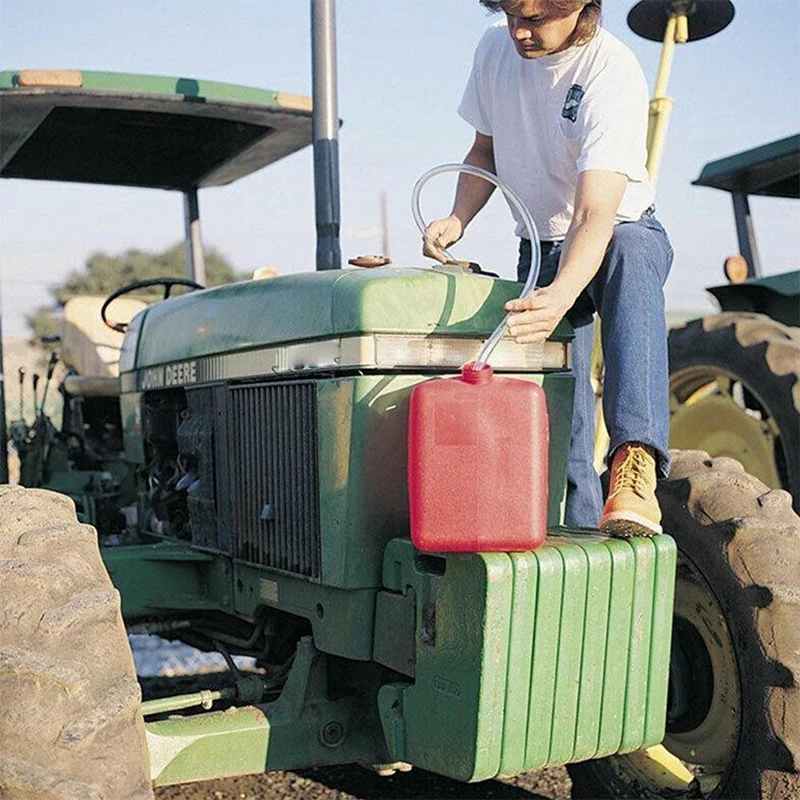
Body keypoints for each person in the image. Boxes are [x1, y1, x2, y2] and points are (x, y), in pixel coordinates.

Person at [423, 0, 674, 537]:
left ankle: (635, 464)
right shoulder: (494, 48)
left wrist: (561, 295)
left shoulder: (611, 70)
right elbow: (484, 149)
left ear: (581, 6)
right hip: (539, 245)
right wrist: (458, 216)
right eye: (512, 14)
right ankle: (576, 536)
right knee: (564, 420)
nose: (520, 31)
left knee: (631, 254)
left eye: (535, 19)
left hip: (613, 233)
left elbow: (594, 211)